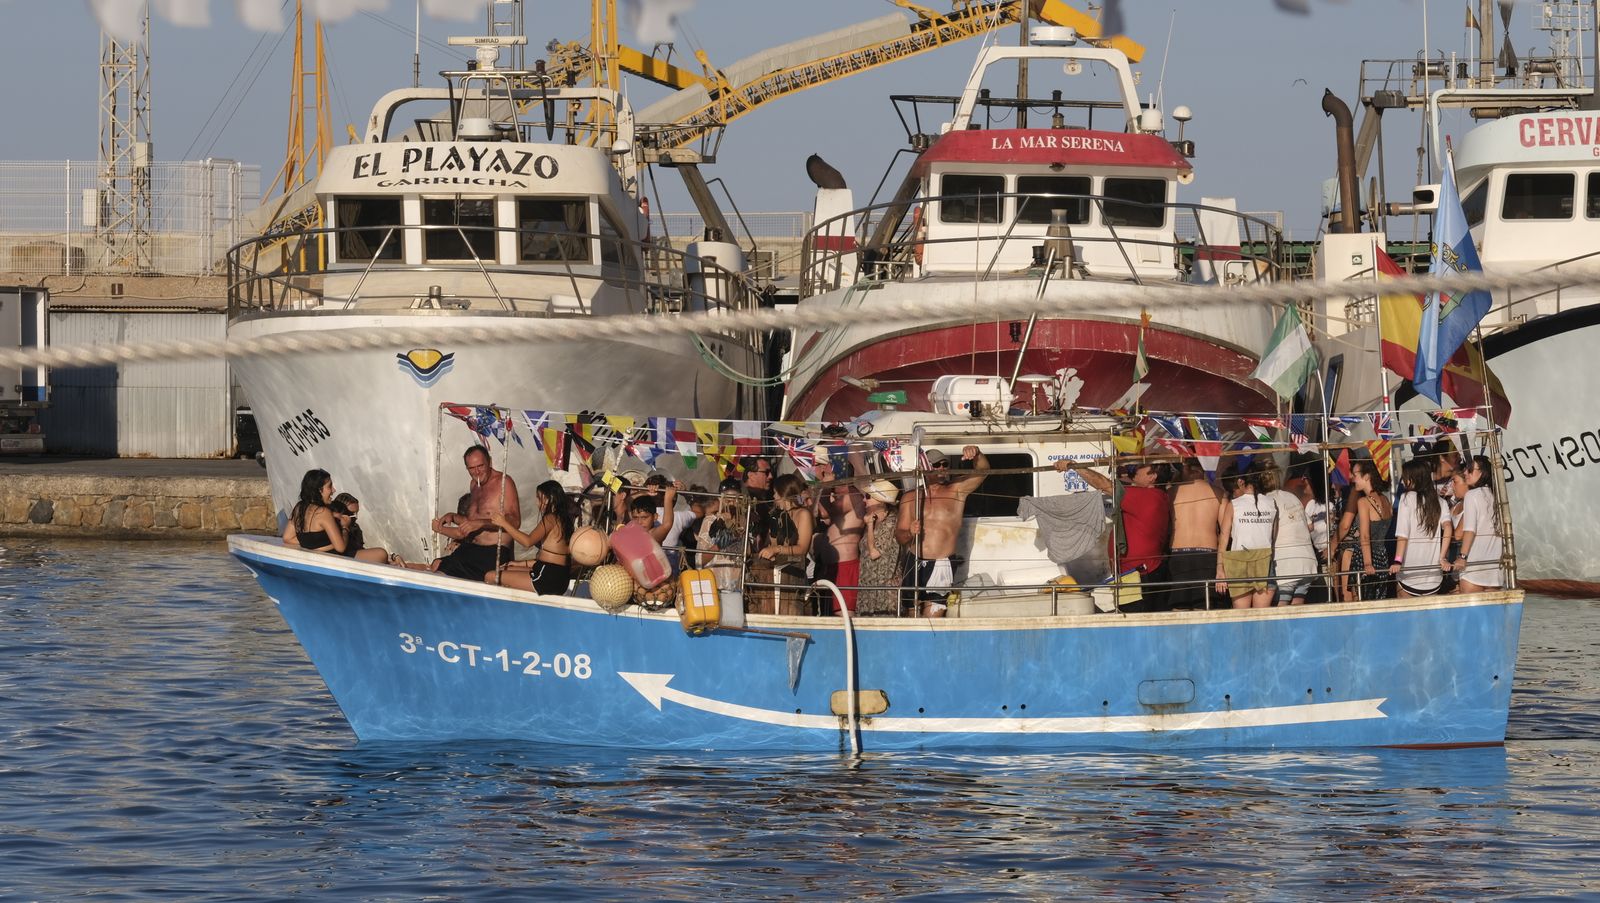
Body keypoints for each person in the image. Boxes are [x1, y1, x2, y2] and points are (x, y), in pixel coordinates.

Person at [1055, 459, 1171, 612]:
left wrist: (1074, 466)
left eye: (1143, 466)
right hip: (1137, 572)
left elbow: (1104, 484)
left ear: (1153, 477)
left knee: (1133, 618)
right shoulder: (1158, 496)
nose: (1136, 468)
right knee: (1131, 614)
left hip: (1138, 575)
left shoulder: (1145, 497)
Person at [896, 446, 988, 617]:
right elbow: (900, 536)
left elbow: (983, 471)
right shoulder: (910, 497)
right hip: (913, 562)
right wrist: (909, 532)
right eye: (936, 465)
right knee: (912, 619)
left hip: (941, 564)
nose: (942, 468)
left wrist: (977, 453)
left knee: (933, 619)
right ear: (924, 467)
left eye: (945, 464)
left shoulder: (956, 490)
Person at [429, 445, 521, 581]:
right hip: (472, 548)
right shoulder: (474, 485)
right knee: (437, 564)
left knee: (446, 573)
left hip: (493, 551)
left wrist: (482, 524)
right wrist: (453, 517)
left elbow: (515, 521)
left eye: (480, 466)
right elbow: (472, 520)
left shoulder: (504, 482)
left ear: (489, 462)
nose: (477, 472)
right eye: (471, 468)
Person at [488, 479, 575, 596]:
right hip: (558, 576)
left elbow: (527, 542)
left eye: (540, 498)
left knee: (490, 576)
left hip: (547, 577)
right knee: (506, 569)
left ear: (551, 499)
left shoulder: (550, 518)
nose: (537, 503)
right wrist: (518, 564)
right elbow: (551, 558)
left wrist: (503, 523)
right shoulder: (565, 520)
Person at [1167, 458, 1228, 610]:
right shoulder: (1219, 494)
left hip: (1178, 554)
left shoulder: (1171, 493)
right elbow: (1225, 532)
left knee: (1179, 608)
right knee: (1204, 607)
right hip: (1208, 554)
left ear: (1185, 469)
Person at [752, 473, 815, 616]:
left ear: (783, 492)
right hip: (774, 578)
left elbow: (802, 548)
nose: (773, 496)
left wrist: (777, 549)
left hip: (793, 578)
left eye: (775, 493)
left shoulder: (803, 514)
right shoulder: (778, 516)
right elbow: (771, 544)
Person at [1389, 458, 1451, 597]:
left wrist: (1397, 560)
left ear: (1413, 478)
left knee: (1406, 618)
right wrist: (1442, 558)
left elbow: (1402, 536)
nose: (1403, 481)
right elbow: (1448, 527)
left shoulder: (1406, 498)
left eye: (1405, 478)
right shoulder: (1440, 501)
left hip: (1409, 577)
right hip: (1434, 578)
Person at [1258, 464, 1317, 606]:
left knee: (1282, 605)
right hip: (1307, 559)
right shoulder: (1292, 497)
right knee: (1298, 604)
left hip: (1286, 562)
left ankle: (1282, 629)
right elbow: (1310, 526)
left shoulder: (1265, 501)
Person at [1218, 468, 1276, 609]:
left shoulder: (1234, 504)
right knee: (1261, 620)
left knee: (1241, 619)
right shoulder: (1271, 502)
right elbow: (1273, 537)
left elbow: (1224, 537)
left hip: (1239, 561)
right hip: (1265, 560)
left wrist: (1220, 568)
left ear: (1241, 482)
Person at [1453, 454, 1505, 593]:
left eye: (1470, 470)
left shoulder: (1472, 495)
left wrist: (1462, 557)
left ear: (1481, 473)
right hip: (1495, 571)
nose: (1465, 473)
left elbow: (1469, 530)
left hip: (1474, 570)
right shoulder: (1498, 495)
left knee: (1470, 615)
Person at [818, 476, 867, 614]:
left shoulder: (854, 496)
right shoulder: (842, 500)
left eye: (839, 484)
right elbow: (823, 512)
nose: (835, 489)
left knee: (844, 613)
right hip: (832, 567)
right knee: (829, 614)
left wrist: (826, 486)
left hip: (845, 567)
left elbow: (824, 511)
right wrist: (826, 487)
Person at [857, 480, 905, 616]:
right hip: (869, 586)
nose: (863, 500)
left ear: (880, 500)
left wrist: (870, 526)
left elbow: (874, 553)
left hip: (883, 591)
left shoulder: (891, 522)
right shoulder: (873, 520)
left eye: (867, 496)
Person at [1349, 460, 1395, 600]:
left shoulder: (1364, 502)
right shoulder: (1386, 500)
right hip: (1382, 557)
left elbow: (1364, 536)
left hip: (1365, 557)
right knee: (1379, 599)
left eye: (1355, 474)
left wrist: (1367, 563)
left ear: (1367, 476)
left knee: (1361, 601)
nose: (1352, 478)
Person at [283, 469, 347, 555]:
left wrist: (314, 547)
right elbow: (340, 548)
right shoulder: (324, 512)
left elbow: (287, 538)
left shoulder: (299, 507)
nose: (333, 490)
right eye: (330, 486)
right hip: (334, 558)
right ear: (319, 490)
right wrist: (345, 527)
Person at [328, 492, 391, 564]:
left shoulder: (355, 528)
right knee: (381, 554)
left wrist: (392, 557)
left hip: (354, 562)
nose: (356, 517)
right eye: (351, 514)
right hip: (340, 562)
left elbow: (361, 551)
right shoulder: (332, 528)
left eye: (356, 513)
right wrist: (344, 528)